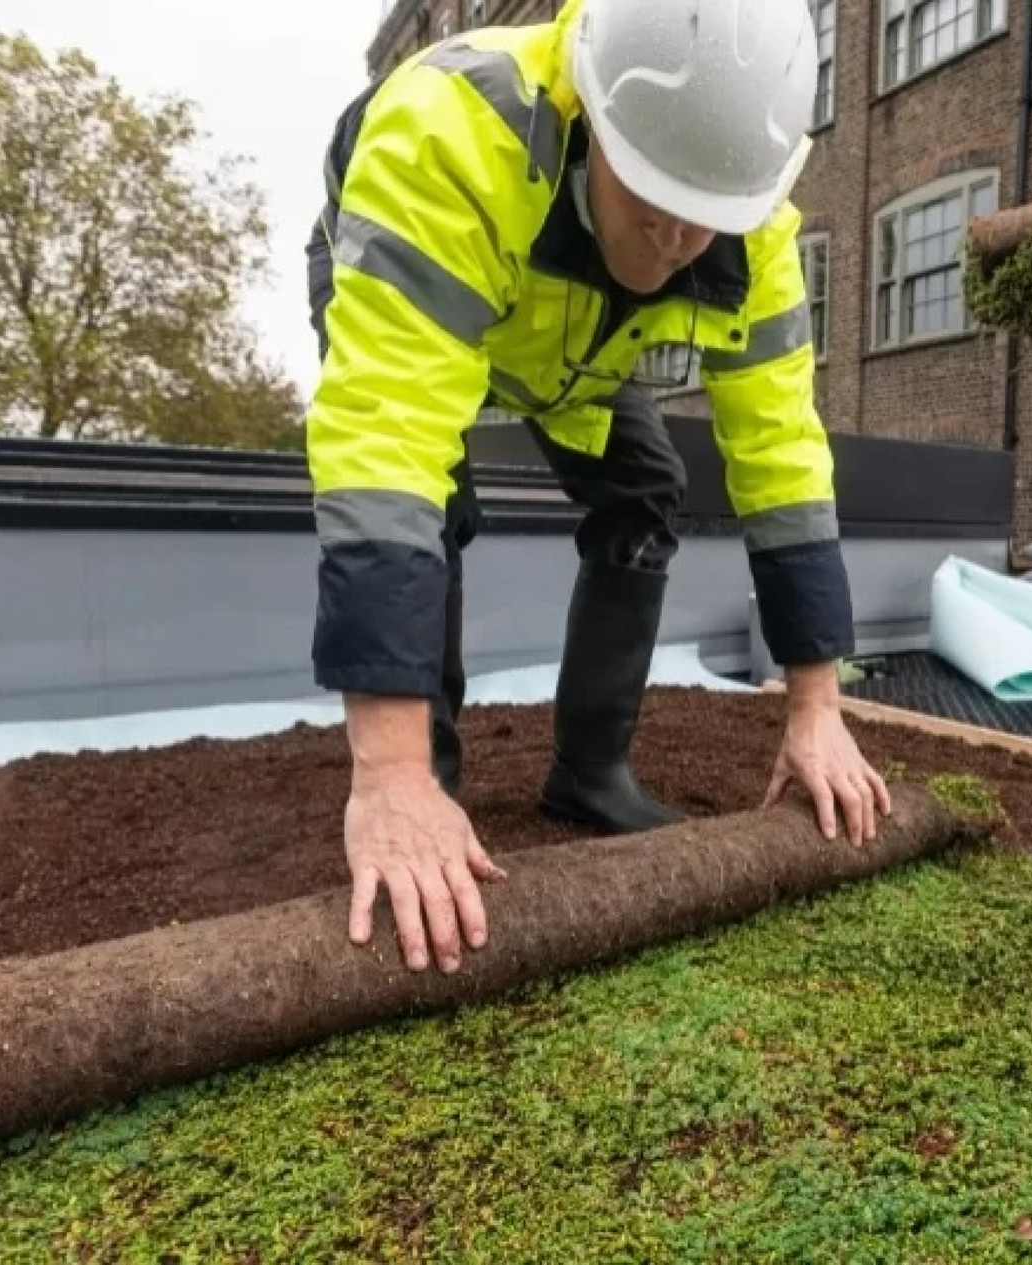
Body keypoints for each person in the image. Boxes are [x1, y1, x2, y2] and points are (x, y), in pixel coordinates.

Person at [303, 0, 892, 975]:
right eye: (649, 197)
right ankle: (423, 789)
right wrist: (391, 773)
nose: (670, 240)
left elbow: (783, 456)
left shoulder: (753, 227)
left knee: (646, 488)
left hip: (572, 335)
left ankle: (589, 770)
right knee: (432, 498)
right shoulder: (450, 131)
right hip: (425, 265)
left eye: (703, 222)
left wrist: (816, 705)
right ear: (594, 119)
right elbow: (385, 447)